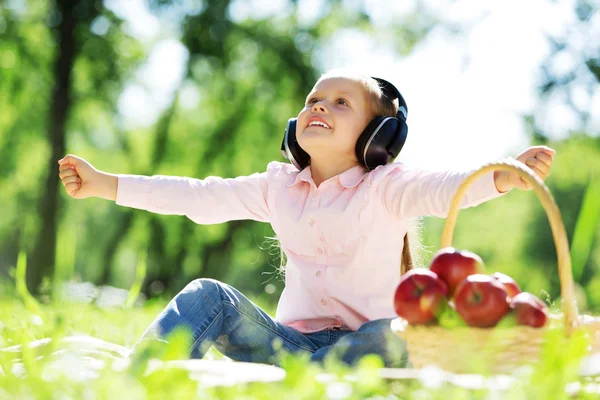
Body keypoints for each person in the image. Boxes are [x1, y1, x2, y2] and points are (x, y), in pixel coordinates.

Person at [57, 69, 556, 368]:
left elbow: (447, 188)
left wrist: (504, 176)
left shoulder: (387, 187)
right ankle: (134, 379)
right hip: (288, 346)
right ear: (297, 125)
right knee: (207, 294)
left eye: (342, 103)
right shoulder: (278, 187)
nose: (320, 106)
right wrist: (105, 183)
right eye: (314, 100)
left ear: (378, 134)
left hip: (368, 345)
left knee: (395, 331)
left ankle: (304, 387)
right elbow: (198, 196)